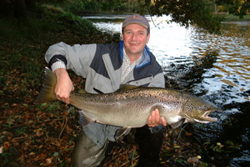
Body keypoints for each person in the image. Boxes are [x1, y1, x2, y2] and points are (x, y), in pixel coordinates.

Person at [45, 14, 167, 167]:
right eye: (129, 32)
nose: (134, 38)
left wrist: (154, 122)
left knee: (155, 130)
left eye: (140, 33)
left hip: (133, 125)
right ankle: (107, 143)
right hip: (96, 120)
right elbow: (56, 49)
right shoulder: (99, 54)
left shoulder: (154, 72)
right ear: (122, 35)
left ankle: (148, 163)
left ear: (148, 37)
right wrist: (61, 74)